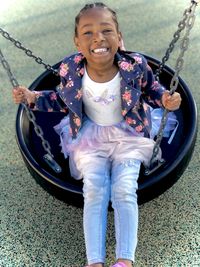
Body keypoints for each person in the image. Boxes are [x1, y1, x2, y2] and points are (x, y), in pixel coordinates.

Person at [12, 2, 182, 267]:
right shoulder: (70, 69)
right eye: (88, 32)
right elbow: (60, 99)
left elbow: (153, 90)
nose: (98, 38)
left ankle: (125, 259)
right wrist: (33, 98)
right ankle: (95, 261)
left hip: (129, 134)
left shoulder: (135, 65)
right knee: (95, 191)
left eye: (106, 30)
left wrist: (166, 100)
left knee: (125, 189)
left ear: (118, 36)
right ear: (77, 42)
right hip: (89, 138)